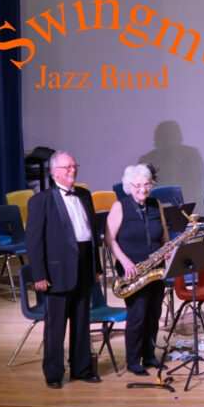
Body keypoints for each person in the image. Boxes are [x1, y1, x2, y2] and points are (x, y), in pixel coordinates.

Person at [25, 151, 102, 388]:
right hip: (57, 271)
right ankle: (54, 373)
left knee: (82, 322)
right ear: (54, 172)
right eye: (67, 167)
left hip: (84, 265)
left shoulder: (84, 195)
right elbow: (34, 241)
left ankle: (81, 368)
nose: (72, 170)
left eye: (74, 165)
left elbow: (92, 235)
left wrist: (97, 266)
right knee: (56, 327)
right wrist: (39, 274)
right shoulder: (41, 201)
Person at [105, 164, 169, 376]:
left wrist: (167, 250)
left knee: (154, 313)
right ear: (129, 186)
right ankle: (133, 360)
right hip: (132, 270)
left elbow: (164, 234)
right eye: (138, 185)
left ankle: (149, 355)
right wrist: (124, 262)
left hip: (156, 268)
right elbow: (110, 239)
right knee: (137, 315)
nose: (143, 189)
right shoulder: (120, 206)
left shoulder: (155, 204)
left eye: (147, 184)